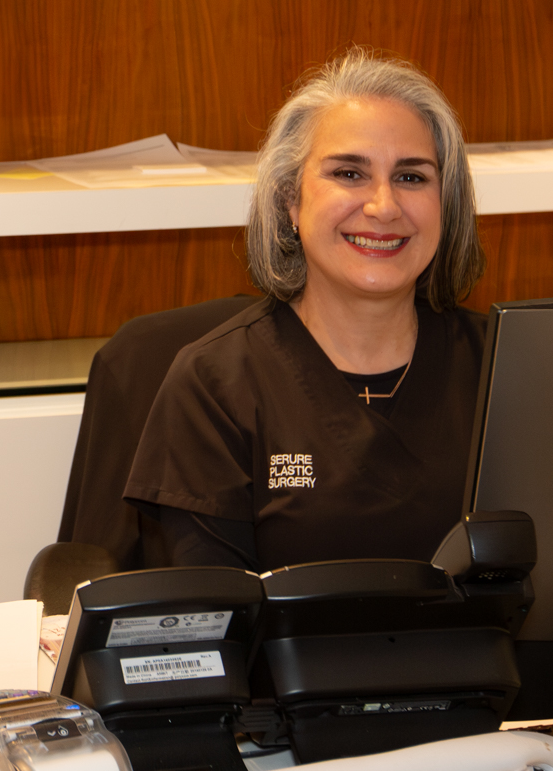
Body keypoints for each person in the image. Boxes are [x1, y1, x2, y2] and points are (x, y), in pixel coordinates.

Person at [123, 49, 487, 572]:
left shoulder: (505, 369)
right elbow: (212, 622)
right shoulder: (214, 385)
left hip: (476, 656)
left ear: (445, 206)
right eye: (349, 173)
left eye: (412, 177)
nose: (384, 206)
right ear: (290, 202)